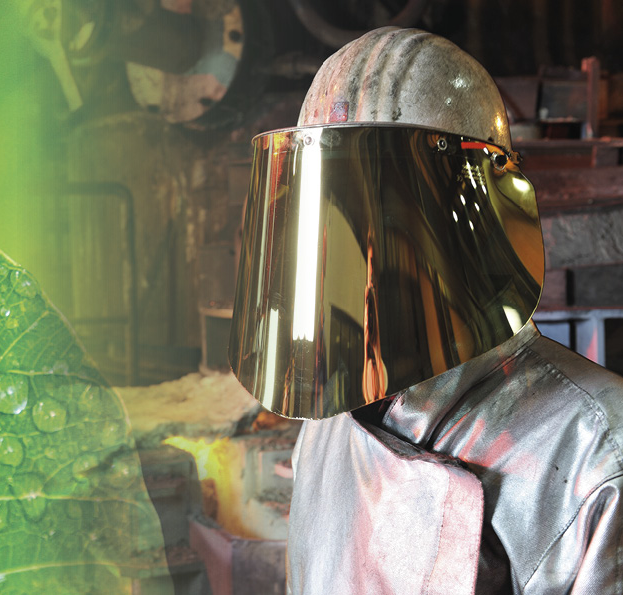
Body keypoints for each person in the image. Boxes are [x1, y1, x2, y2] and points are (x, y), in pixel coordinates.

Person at [228, 27, 623, 594]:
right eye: (330, 215)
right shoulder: (328, 431)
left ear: (472, 222)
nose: (349, 254)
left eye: (386, 219)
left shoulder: (597, 452)